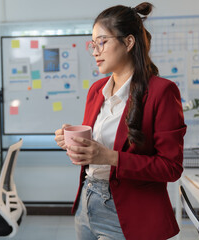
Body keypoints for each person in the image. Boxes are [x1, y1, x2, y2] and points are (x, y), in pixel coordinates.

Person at [54, 2, 187, 240]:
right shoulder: (96, 90)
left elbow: (171, 167)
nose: (95, 51)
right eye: (92, 44)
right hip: (87, 202)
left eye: (102, 42)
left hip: (130, 212)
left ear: (128, 42)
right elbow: (95, 152)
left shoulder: (162, 91)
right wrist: (73, 143)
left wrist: (110, 157)